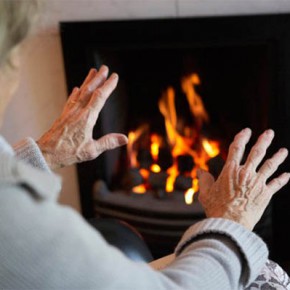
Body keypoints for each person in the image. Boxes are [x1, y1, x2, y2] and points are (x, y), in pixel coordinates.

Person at [0, 1, 289, 289]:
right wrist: (232, 221)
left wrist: (42, 154)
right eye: (17, 52)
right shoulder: (16, 222)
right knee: (267, 275)